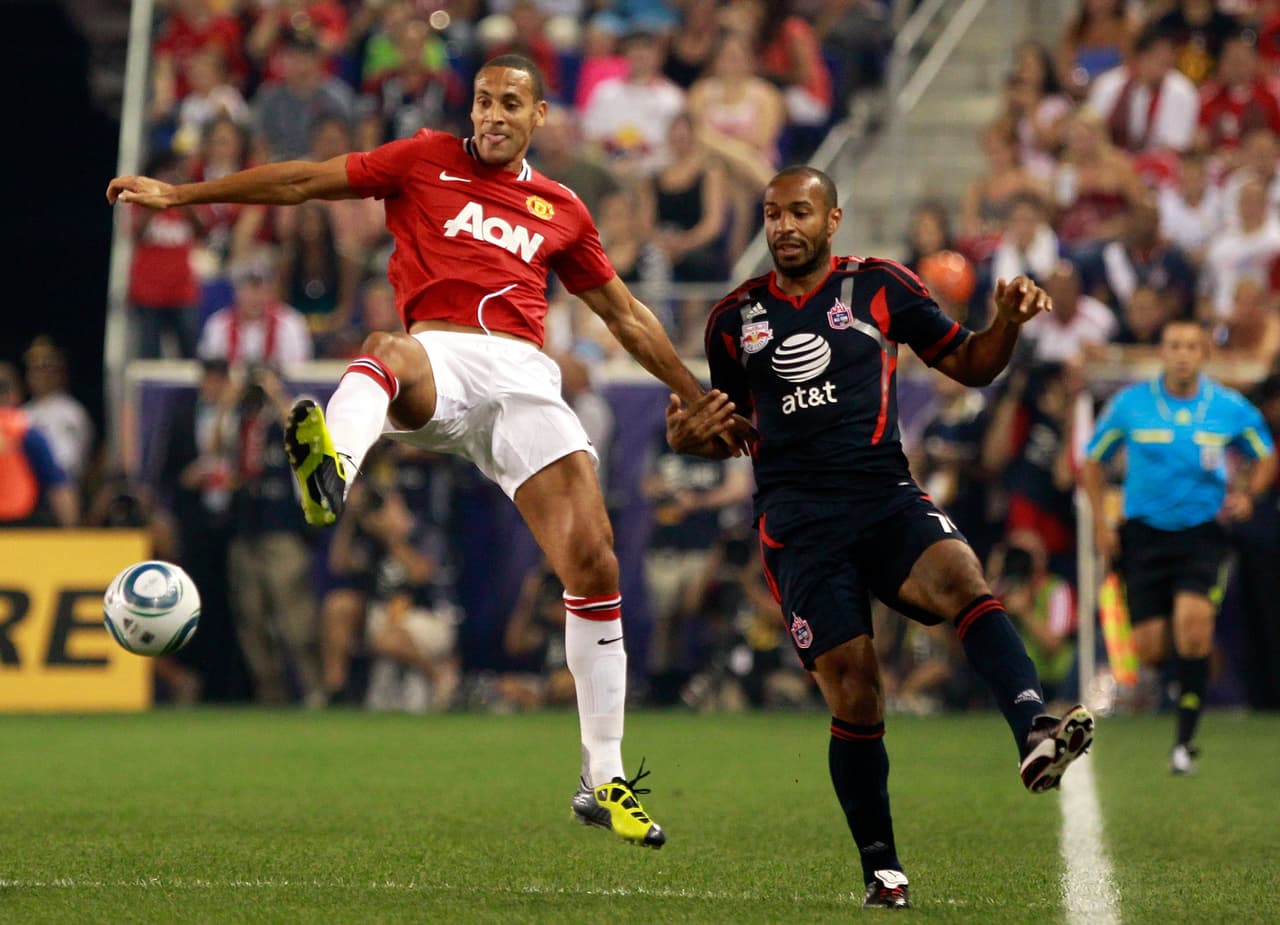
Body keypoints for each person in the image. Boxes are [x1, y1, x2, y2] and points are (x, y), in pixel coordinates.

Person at [109, 53, 745, 849]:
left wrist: (692, 392)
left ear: (538, 116)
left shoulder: (562, 208)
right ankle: (331, 467)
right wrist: (184, 194)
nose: (491, 115)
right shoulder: (422, 158)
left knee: (596, 562)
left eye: (510, 103)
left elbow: (624, 313)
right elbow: (304, 180)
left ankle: (602, 775)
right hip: (439, 355)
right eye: (482, 101)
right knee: (386, 347)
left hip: (521, 377)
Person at [669, 166, 1094, 909]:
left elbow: (971, 363)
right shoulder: (732, 321)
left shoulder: (880, 287)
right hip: (799, 524)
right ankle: (883, 868)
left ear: (834, 219)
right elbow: (725, 431)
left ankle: (1033, 724)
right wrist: (687, 436)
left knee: (963, 575)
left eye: (799, 211)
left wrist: (1009, 326)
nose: (783, 226)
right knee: (858, 692)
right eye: (772, 214)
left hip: (882, 492)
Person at [1082, 319, 1275, 775]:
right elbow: (1092, 462)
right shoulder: (1131, 405)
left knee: (1193, 627)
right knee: (1150, 650)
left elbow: (1264, 454)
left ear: (1204, 353)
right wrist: (1100, 525)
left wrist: (1249, 494)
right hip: (1143, 536)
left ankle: (1185, 743)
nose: (1183, 354)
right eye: (1174, 346)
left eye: (1191, 346)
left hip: (1202, 534)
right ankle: (1187, 676)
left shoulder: (1228, 407)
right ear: (1161, 352)